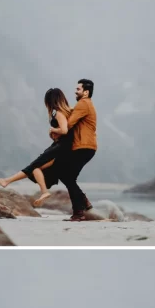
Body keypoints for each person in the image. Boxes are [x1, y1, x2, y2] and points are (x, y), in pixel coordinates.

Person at [0, 88, 74, 207]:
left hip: (60, 148)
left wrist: (52, 129)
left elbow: (64, 130)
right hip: (60, 146)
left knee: (34, 165)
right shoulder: (63, 112)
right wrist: (54, 136)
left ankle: (6, 181)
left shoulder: (58, 112)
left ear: (51, 101)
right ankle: (44, 192)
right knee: (35, 169)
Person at [55, 79, 98, 221]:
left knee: (66, 176)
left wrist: (54, 129)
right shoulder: (85, 105)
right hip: (85, 147)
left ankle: (79, 211)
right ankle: (83, 203)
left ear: (86, 92)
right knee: (67, 176)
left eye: (78, 89)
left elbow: (68, 124)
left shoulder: (83, 103)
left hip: (84, 147)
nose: (75, 91)